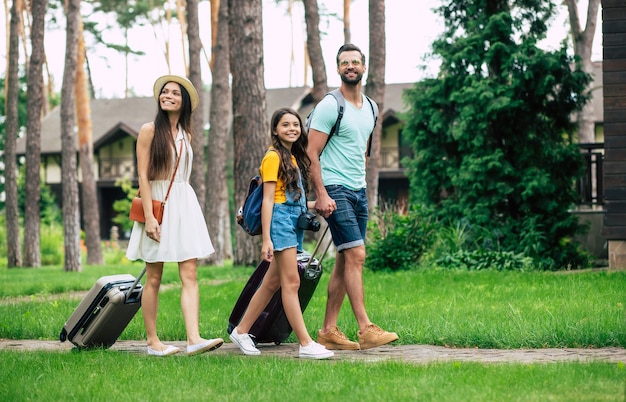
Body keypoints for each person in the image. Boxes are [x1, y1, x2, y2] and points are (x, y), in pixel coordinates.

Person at [306, 44, 399, 350]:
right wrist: (320, 193)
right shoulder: (330, 106)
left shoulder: (371, 108)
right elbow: (311, 153)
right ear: (338, 69)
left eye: (355, 62)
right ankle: (365, 328)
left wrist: (360, 184)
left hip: (358, 190)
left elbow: (361, 150)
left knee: (345, 260)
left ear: (363, 67)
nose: (350, 66)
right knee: (357, 255)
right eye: (344, 62)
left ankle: (328, 330)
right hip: (334, 188)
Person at [126, 75, 224, 357]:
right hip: (156, 204)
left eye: (175, 93)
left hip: (184, 203)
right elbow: (143, 175)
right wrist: (149, 216)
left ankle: (194, 338)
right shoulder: (149, 130)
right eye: (165, 92)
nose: (168, 96)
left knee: (190, 273)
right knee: (154, 276)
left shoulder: (186, 134)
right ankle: (152, 342)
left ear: (185, 101)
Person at [229, 107, 334, 360]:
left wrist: (318, 205)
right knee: (292, 283)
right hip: (279, 224)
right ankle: (306, 343)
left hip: (291, 222)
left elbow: (291, 202)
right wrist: (266, 238)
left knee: (271, 283)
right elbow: (268, 202)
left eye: (296, 125)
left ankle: (242, 331)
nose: (292, 129)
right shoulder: (273, 157)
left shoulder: (293, 158)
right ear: (275, 130)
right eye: (285, 125)